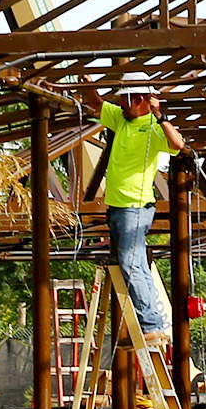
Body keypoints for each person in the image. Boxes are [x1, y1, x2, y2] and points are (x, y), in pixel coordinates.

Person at [78, 87, 187, 356]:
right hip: (118, 206)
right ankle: (150, 325)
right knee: (132, 263)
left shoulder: (153, 126)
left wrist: (159, 114)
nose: (118, 104)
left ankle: (150, 323)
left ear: (138, 101)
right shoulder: (120, 118)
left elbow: (178, 145)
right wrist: (88, 83)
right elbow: (96, 102)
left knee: (130, 261)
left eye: (123, 100)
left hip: (135, 207)